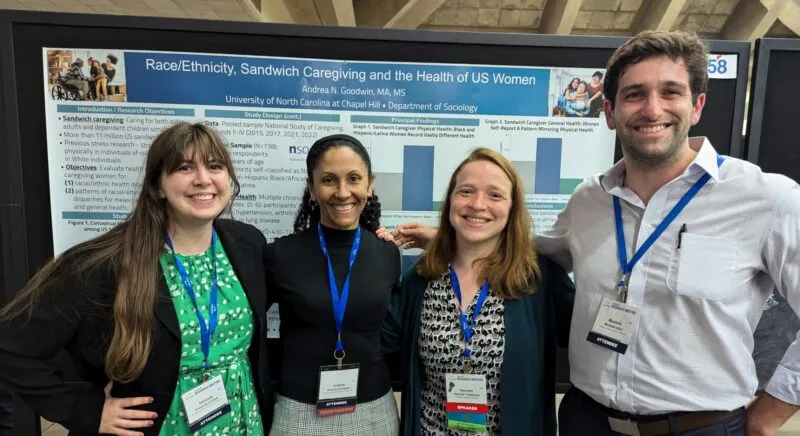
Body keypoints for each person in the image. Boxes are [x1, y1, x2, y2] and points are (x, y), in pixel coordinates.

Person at [392, 30, 800, 436]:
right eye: (635, 94)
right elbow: (532, 245)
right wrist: (453, 239)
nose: (652, 108)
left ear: (697, 106)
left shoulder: (765, 198)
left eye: (670, 92)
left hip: (699, 426)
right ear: (609, 111)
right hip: (586, 421)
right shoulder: (590, 198)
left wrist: (770, 413)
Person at [0, 122, 273, 435]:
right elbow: (10, 346)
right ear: (158, 185)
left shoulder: (247, 244)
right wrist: (84, 410)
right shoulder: (104, 264)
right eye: (184, 167)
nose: (203, 179)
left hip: (242, 420)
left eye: (214, 166)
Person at [382, 148, 574, 435]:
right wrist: (368, 255)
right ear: (450, 202)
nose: (478, 204)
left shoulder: (538, 279)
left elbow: (588, 339)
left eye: (495, 195)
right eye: (466, 191)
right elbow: (379, 341)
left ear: (512, 208)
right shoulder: (422, 278)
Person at [265, 134, 400, 435]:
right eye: (328, 180)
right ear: (312, 189)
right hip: (298, 412)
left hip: (374, 413)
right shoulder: (279, 254)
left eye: (354, 178)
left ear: (370, 184)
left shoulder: (387, 254)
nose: (343, 192)